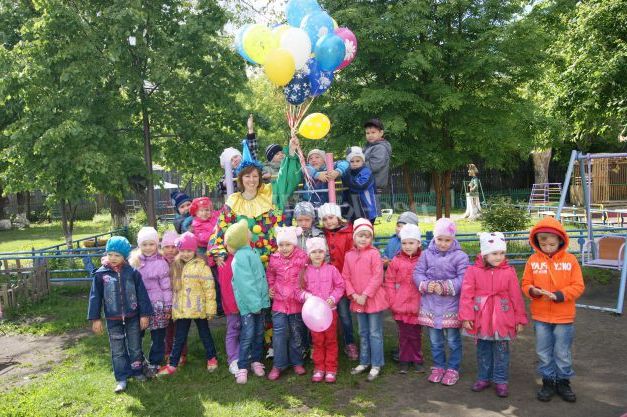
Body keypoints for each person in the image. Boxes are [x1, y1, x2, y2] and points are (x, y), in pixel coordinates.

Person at [521, 217, 585, 403]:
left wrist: (560, 295)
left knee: (562, 352)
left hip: (564, 317)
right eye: (543, 244)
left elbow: (578, 286)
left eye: (552, 244)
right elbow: (525, 283)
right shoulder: (533, 260)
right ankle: (548, 382)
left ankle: (563, 382)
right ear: (537, 242)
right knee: (543, 351)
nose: (547, 248)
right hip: (540, 316)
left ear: (560, 241)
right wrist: (532, 291)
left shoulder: (570, 260)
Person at [459, 232, 528, 398]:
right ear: (484, 254)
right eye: (494, 253)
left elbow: (516, 297)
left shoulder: (509, 271)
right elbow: (466, 295)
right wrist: (466, 317)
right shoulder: (473, 271)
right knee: (483, 349)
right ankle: (483, 378)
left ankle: (501, 380)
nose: (499, 257)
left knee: (502, 351)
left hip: (503, 317)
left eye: (502, 253)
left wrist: (519, 319)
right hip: (481, 316)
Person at [87, 236, 153, 393]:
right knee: (117, 350)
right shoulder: (101, 275)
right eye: (110, 254)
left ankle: (137, 371)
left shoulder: (133, 272)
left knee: (135, 346)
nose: (113, 258)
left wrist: (144, 315)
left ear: (124, 256)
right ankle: (121, 378)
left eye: (117, 255)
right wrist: (95, 319)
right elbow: (95, 297)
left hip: (132, 317)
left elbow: (142, 295)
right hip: (113, 319)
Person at [413, 218, 469, 386]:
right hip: (430, 305)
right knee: (435, 340)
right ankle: (438, 366)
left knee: (452, 340)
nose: (443, 243)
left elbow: (464, 279)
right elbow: (418, 273)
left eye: (447, 240)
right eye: (440, 239)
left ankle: (453, 368)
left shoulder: (460, 256)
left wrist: (445, 287)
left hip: (451, 306)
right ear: (434, 237)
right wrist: (426, 284)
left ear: (453, 238)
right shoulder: (426, 254)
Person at [158, 232, 218, 376]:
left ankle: (212, 358)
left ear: (194, 250)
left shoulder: (201, 266)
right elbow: (174, 289)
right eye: (183, 251)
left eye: (189, 251)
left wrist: (210, 309)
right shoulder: (175, 265)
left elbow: (209, 289)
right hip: (182, 309)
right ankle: (173, 364)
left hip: (199, 308)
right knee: (179, 337)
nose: (185, 254)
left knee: (205, 334)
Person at [343, 218, 389, 382]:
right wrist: (354, 295)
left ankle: (376, 363)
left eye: (367, 236)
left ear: (371, 238)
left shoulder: (374, 254)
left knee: (374, 332)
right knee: (363, 332)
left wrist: (365, 294)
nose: (363, 239)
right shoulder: (348, 255)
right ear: (354, 237)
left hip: (372, 299)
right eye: (360, 235)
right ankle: (364, 361)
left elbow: (377, 276)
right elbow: (345, 277)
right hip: (357, 299)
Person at [227, 220, 271, 384]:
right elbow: (246, 284)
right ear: (243, 237)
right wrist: (255, 305)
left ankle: (256, 361)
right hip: (251, 306)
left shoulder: (250, 252)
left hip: (259, 303)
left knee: (259, 333)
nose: (250, 232)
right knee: (247, 335)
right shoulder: (241, 257)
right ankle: (243, 366)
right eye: (247, 231)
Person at [298, 237, 345, 383]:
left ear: (325, 253)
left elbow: (340, 286)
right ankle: (319, 368)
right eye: (314, 252)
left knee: (331, 340)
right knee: (317, 341)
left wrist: (333, 298)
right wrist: (307, 297)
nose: (317, 255)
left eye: (320, 251)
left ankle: (331, 368)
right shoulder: (305, 272)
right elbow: (299, 291)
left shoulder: (332, 270)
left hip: (330, 312)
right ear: (309, 254)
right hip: (314, 316)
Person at [128, 227, 172, 378]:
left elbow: (166, 287)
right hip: (138, 304)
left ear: (156, 244)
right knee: (135, 334)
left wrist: (168, 306)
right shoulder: (133, 262)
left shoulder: (161, 263)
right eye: (144, 244)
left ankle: (155, 362)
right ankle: (137, 360)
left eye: (151, 244)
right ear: (139, 245)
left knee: (158, 335)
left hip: (157, 304)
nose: (148, 248)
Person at [266, 226, 309, 380]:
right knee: (279, 334)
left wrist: (305, 292)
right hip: (279, 304)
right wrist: (271, 287)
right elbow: (270, 274)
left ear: (294, 244)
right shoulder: (274, 258)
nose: (284, 248)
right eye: (281, 245)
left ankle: (297, 362)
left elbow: (307, 277)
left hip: (296, 303)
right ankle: (278, 364)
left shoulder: (303, 258)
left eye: (288, 244)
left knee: (296, 333)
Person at [318, 202, 358, 360]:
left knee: (344, 315)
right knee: (325, 313)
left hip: (341, 283)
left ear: (338, 217)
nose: (328, 221)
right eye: (325, 219)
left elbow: (351, 258)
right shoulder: (322, 235)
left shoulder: (348, 234)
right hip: (324, 282)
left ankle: (349, 343)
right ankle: (324, 344)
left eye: (331, 217)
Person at [384, 224, 424, 374]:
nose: (407, 246)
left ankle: (417, 359)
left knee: (416, 334)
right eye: (404, 243)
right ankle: (404, 360)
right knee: (403, 334)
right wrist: (392, 300)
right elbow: (389, 281)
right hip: (399, 305)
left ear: (418, 243)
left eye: (411, 243)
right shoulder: (396, 260)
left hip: (418, 305)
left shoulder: (423, 260)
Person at [160, 230, 189, 366]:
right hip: (165, 301)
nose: (170, 250)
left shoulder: (182, 261)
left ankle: (182, 353)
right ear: (162, 248)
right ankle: (168, 352)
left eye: (173, 247)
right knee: (168, 328)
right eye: (167, 247)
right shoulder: (159, 261)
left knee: (180, 328)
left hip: (180, 299)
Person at [363, 118, 392, 215]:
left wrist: (358, 165)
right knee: (366, 212)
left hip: (373, 186)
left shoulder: (380, 148)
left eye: (373, 132)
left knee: (372, 213)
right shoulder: (369, 147)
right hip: (368, 185)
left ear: (381, 133)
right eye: (367, 133)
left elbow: (374, 166)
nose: (370, 135)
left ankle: (374, 222)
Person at [342, 146, 377, 223]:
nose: (355, 163)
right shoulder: (348, 173)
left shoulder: (366, 172)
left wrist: (346, 176)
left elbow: (360, 186)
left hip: (366, 209)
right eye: (352, 161)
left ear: (363, 161)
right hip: (352, 208)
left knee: (365, 228)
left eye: (358, 161)